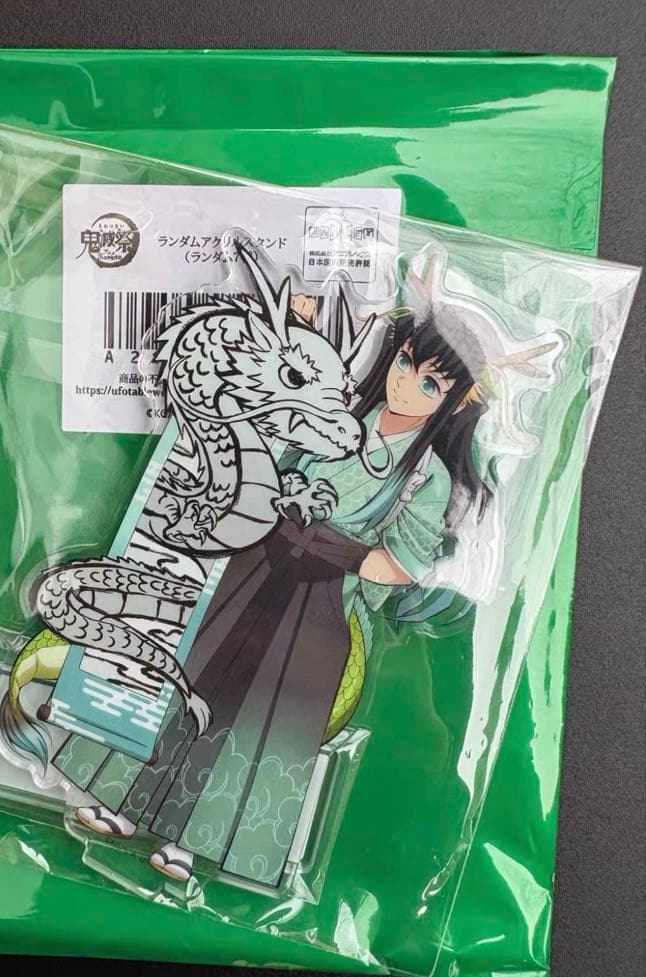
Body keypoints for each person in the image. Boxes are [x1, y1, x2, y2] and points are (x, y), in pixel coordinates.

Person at [58, 284, 496, 888]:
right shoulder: (336, 412)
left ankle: (191, 840)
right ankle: (119, 799)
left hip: (320, 599)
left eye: (429, 384)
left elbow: (400, 565)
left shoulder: (428, 478)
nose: (405, 385)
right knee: (187, 672)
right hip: (254, 561)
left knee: (255, 715)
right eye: (404, 364)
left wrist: (338, 551)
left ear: (451, 402)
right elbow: (262, 456)